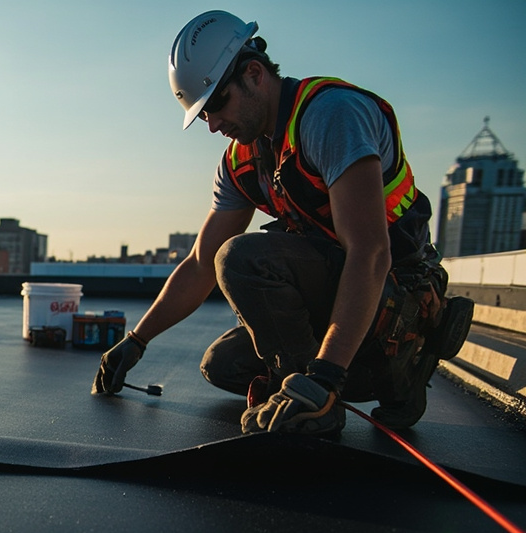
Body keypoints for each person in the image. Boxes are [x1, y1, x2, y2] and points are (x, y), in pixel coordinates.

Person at [95, 10, 474, 437]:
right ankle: (390, 373)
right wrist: (137, 340)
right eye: (203, 115)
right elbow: (200, 264)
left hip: (392, 288)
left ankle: (328, 393)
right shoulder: (242, 161)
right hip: (345, 292)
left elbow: (370, 252)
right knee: (223, 366)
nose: (214, 125)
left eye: (216, 104)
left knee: (240, 258)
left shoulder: (330, 116)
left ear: (254, 73)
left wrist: (325, 378)